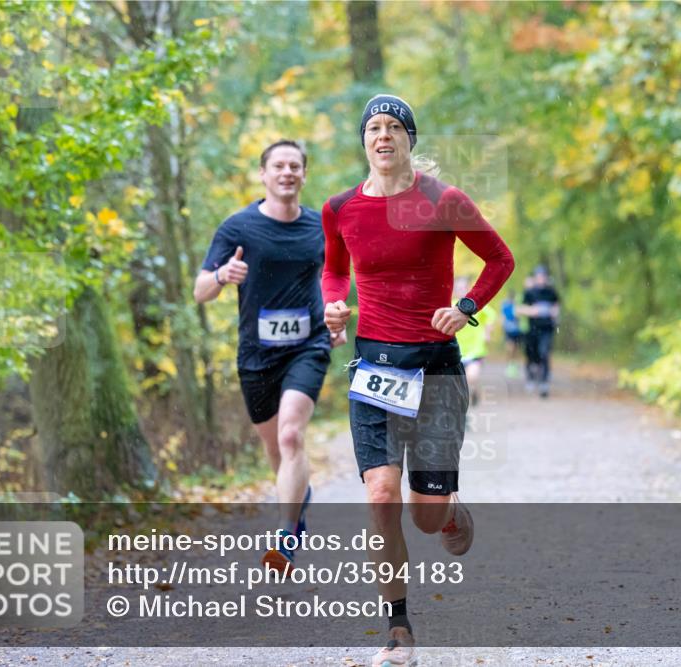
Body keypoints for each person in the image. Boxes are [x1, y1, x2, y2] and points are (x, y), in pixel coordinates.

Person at [322, 94, 514, 667]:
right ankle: (398, 628)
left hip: (435, 369)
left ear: (409, 138)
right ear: (364, 141)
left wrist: (467, 306)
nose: (383, 136)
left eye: (393, 127)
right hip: (374, 369)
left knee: (425, 514)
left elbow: (499, 259)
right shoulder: (340, 208)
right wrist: (335, 306)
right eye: (373, 128)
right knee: (380, 497)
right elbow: (334, 270)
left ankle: (450, 512)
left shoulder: (443, 201)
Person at [194, 139, 344, 571]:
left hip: (308, 346)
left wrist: (334, 319)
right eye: (278, 165)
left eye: (295, 166)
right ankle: (298, 499)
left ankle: (285, 534)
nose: (287, 173)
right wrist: (223, 274)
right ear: (263, 174)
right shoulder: (238, 228)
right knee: (275, 446)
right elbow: (200, 291)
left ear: (304, 175)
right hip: (256, 354)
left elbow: (334, 278)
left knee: (291, 435)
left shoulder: (320, 227)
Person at [454, 276, 496, 407]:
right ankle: (469, 398)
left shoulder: (475, 304)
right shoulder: (451, 305)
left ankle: (470, 394)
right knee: (459, 382)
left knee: (471, 377)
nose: (461, 290)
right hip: (457, 350)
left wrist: (487, 333)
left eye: (464, 288)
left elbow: (491, 316)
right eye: (458, 288)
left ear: (468, 289)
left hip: (475, 349)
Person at [521, 266, 560, 398]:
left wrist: (555, 313)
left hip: (547, 328)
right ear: (535, 277)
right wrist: (532, 311)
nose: (541, 278)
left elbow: (556, 306)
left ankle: (544, 383)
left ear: (546, 277)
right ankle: (531, 378)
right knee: (532, 355)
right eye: (539, 276)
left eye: (543, 276)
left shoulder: (551, 292)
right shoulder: (530, 292)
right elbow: (520, 309)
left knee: (544, 352)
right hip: (532, 329)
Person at [500, 288, 523, 378]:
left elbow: (519, 316)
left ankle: (514, 366)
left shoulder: (516, 305)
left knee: (516, 349)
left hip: (517, 331)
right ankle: (509, 365)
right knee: (509, 348)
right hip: (508, 330)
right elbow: (503, 317)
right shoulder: (505, 305)